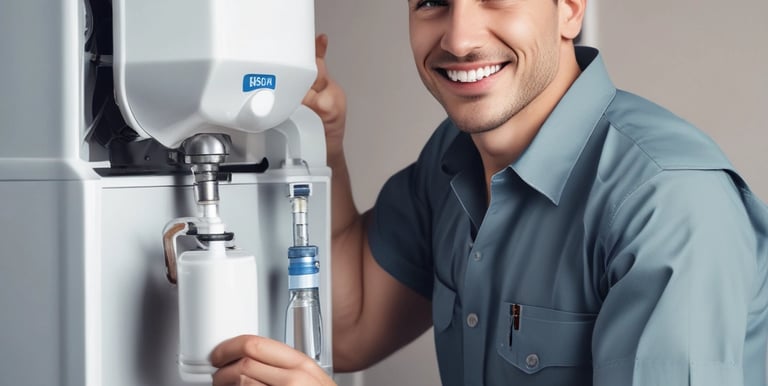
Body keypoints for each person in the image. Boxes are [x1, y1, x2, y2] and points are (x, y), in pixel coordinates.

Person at [211, 0, 768, 384]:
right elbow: (350, 327)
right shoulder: (452, 157)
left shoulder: (668, 205)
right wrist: (321, 146)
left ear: (570, 8)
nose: (459, 38)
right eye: (432, 1)